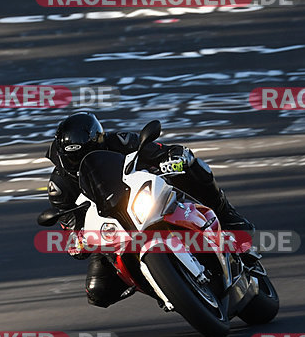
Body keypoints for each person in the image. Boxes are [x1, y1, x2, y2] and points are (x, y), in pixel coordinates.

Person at [44, 111, 253, 308]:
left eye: (86, 154)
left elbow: (156, 150)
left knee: (193, 167)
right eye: (73, 158)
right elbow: (71, 226)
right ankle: (165, 289)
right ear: (62, 154)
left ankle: (226, 214)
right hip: (110, 227)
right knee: (98, 291)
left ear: (99, 141)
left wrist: (173, 156)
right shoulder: (59, 186)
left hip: (142, 196)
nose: (79, 162)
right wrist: (77, 240)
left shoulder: (118, 142)